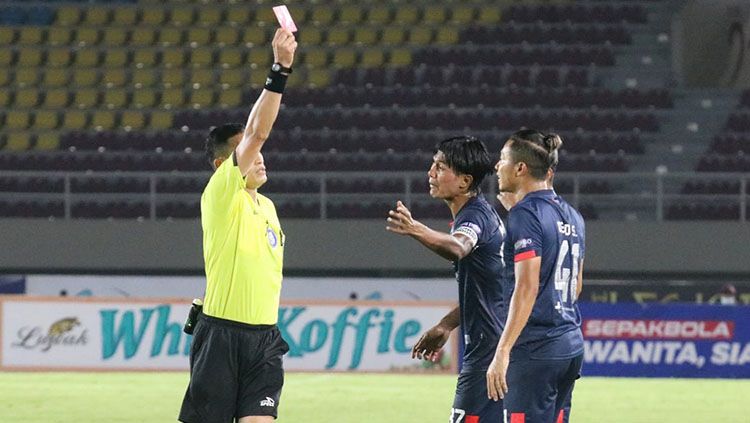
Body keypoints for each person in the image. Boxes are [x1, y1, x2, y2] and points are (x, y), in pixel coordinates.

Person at [179, 28, 297, 423]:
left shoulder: (267, 206)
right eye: (249, 151)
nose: (260, 155)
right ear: (222, 166)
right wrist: (280, 69)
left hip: (264, 339)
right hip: (221, 338)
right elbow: (258, 132)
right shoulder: (219, 195)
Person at [386, 136, 506, 422]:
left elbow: (457, 247)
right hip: (494, 348)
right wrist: (446, 325)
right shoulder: (480, 215)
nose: (431, 173)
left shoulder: (475, 217)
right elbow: (488, 293)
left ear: (464, 181)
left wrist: (415, 228)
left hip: (488, 353)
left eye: (440, 167)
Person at [487, 129, 585, 423]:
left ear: (520, 168)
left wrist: (503, 350)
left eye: (503, 159)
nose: (496, 166)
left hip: (535, 350)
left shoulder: (524, 215)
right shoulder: (572, 215)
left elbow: (527, 287)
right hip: (569, 343)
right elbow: (575, 286)